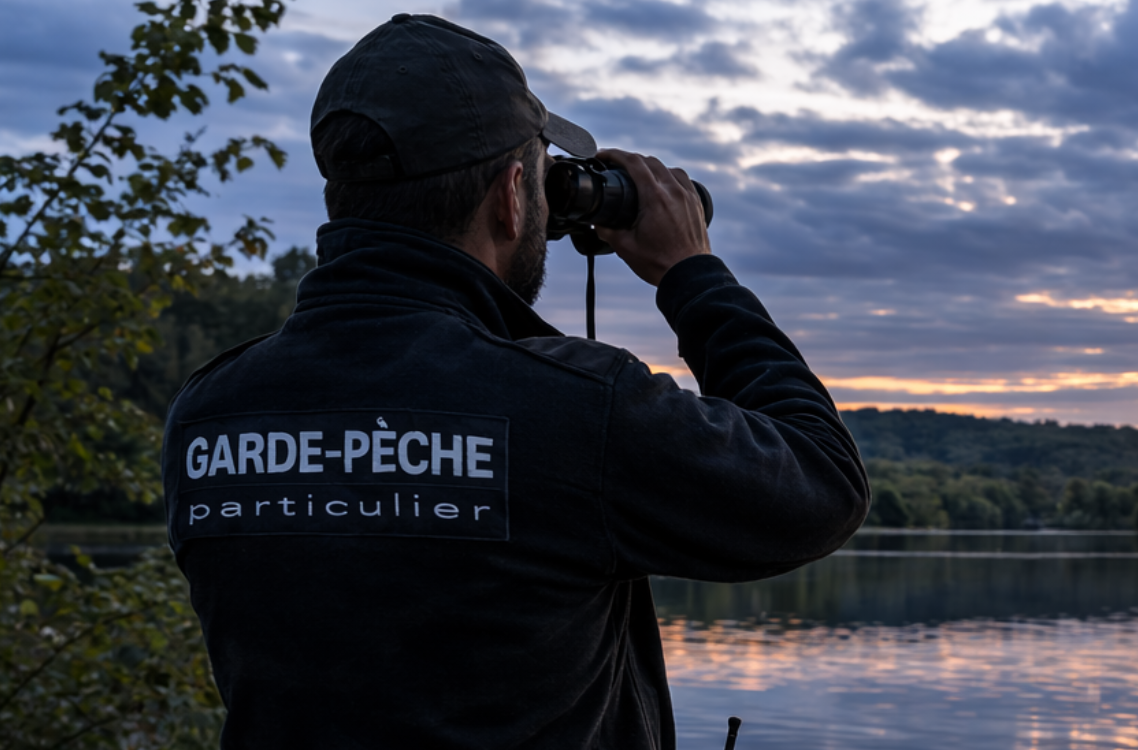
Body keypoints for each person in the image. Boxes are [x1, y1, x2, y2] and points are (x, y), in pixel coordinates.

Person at [161, 14, 869, 749]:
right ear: (509, 195)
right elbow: (821, 483)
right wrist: (692, 274)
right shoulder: (572, 412)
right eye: (539, 176)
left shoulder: (210, 413)